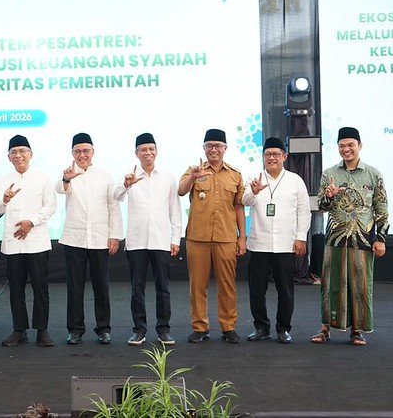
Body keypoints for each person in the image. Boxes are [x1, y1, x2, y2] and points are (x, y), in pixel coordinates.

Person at [311, 127, 388, 346]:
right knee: (330, 284)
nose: (346, 149)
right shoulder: (330, 173)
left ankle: (357, 330)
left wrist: (381, 238)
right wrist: (328, 196)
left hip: (363, 239)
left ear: (359, 146)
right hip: (334, 240)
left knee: (360, 285)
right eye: (342, 145)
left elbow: (381, 208)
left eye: (350, 145)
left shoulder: (373, 174)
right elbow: (321, 206)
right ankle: (325, 328)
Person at [178, 129, 246, 344]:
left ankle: (228, 326)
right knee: (197, 285)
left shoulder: (235, 174)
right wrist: (193, 177)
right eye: (209, 146)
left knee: (227, 285)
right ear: (204, 148)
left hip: (226, 237)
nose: (213, 149)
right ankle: (200, 327)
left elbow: (239, 206)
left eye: (218, 145)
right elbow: (181, 191)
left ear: (225, 148)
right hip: (197, 237)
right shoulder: (194, 170)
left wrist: (242, 237)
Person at [113, 133, 181, 346]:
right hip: (137, 241)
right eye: (143, 149)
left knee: (163, 287)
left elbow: (175, 209)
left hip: (161, 240)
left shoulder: (167, 177)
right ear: (136, 153)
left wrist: (176, 238)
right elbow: (116, 196)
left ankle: (164, 329)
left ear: (156, 151)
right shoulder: (130, 176)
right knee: (137, 288)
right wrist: (126, 185)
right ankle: (139, 330)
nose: (148, 153)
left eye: (151, 149)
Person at [242, 137, 311, 344]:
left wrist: (301, 238)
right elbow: (245, 201)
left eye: (276, 154)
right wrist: (254, 192)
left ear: (284, 157)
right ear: (263, 157)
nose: (271, 158)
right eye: (268, 154)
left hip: (285, 244)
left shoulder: (295, 180)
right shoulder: (254, 177)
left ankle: (283, 328)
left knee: (285, 290)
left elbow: (304, 211)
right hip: (259, 243)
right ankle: (261, 327)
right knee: (257, 290)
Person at [56, 132, 122, 345]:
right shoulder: (68, 174)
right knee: (74, 287)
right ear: (72, 154)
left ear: (93, 152)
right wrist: (67, 179)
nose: (82, 155)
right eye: (77, 151)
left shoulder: (105, 175)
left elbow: (113, 206)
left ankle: (103, 329)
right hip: (74, 238)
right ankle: (75, 329)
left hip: (99, 238)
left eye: (86, 151)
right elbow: (60, 189)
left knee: (101, 287)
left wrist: (114, 236)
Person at [0, 135, 57, 347]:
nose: (18, 155)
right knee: (16, 290)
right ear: (8, 157)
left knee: (40, 288)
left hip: (37, 241)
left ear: (31, 154)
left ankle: (42, 330)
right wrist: (4, 200)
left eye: (22, 151)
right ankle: (19, 330)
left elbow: (50, 207)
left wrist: (31, 222)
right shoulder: (3, 180)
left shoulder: (42, 178)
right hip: (13, 243)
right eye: (14, 152)